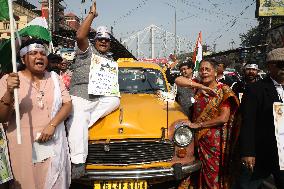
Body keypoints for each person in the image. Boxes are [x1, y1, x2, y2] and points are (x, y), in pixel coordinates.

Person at [0, 38, 72, 189]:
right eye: (33, 53)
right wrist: (9, 92)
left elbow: (67, 104)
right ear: (23, 59)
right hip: (21, 148)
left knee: (52, 181)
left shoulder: (55, 78)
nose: (39, 57)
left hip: (51, 143)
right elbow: (2, 117)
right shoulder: (9, 79)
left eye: (42, 53)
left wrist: (52, 125)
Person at [66, 0, 120, 178]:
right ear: (95, 41)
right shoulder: (86, 50)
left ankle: (79, 126)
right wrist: (91, 15)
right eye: (101, 39)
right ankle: (78, 162)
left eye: (107, 40)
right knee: (80, 113)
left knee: (115, 100)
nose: (104, 42)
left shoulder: (110, 61)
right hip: (80, 95)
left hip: (98, 98)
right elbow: (81, 36)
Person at [176, 58, 239, 189]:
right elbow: (178, 80)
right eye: (201, 70)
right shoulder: (198, 87)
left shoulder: (223, 90)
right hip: (197, 140)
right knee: (196, 175)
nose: (204, 72)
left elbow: (223, 118)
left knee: (212, 176)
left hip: (214, 142)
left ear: (216, 72)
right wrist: (201, 86)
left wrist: (199, 125)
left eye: (207, 69)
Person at [236, 48, 284, 189]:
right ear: (270, 66)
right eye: (280, 64)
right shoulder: (255, 89)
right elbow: (248, 122)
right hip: (262, 152)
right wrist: (248, 152)